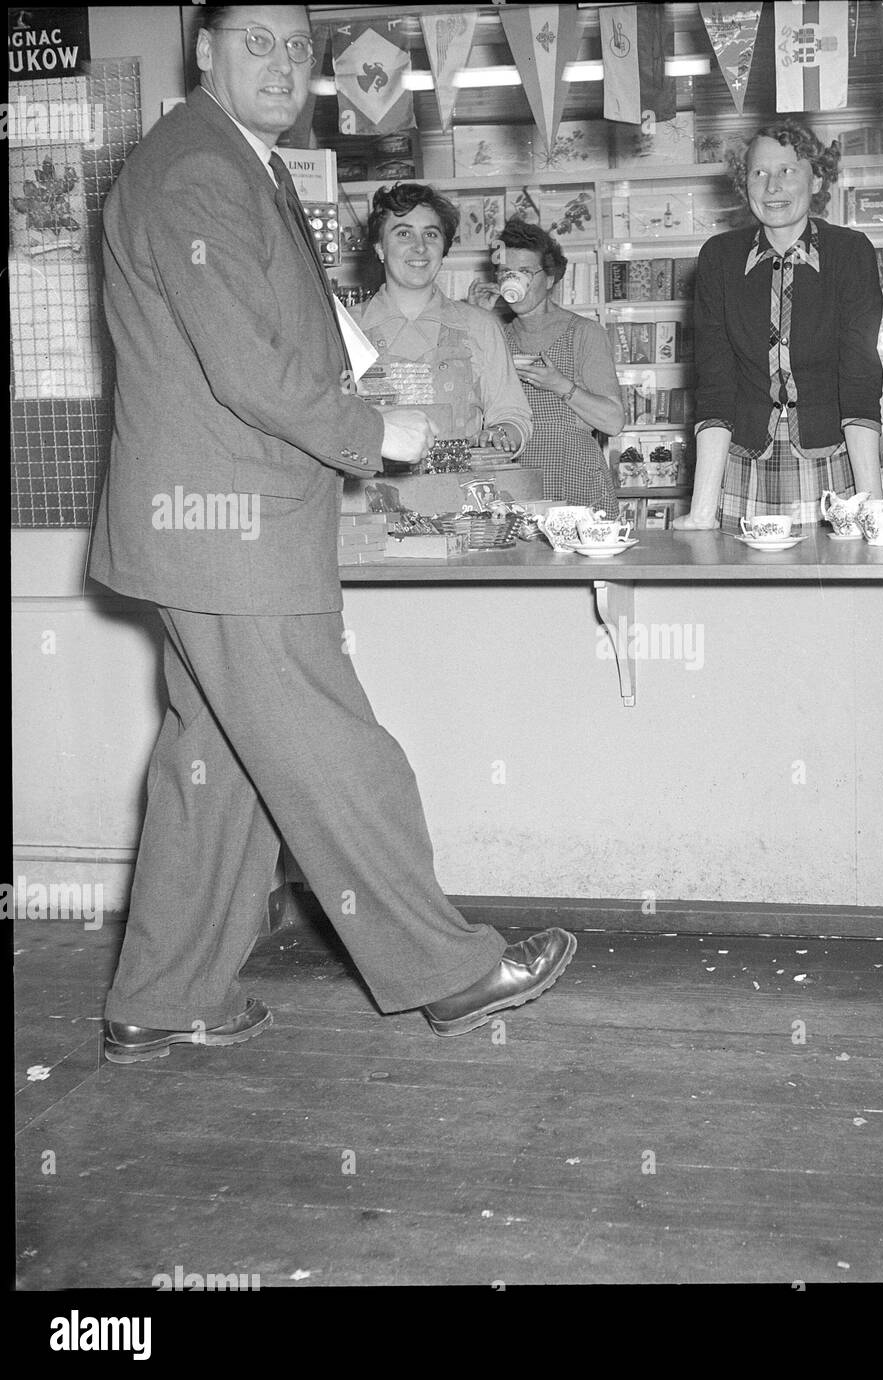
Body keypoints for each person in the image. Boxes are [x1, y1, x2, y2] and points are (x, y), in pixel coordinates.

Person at [86, 5, 575, 1063]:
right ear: (202, 50)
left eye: (296, 46)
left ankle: (163, 997)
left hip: (206, 525)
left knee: (212, 765)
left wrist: (354, 381)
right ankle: (450, 972)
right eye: (255, 40)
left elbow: (278, 330)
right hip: (232, 527)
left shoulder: (229, 162)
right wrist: (375, 431)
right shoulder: (200, 171)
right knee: (336, 750)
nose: (282, 63)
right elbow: (248, 365)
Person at [675, 119, 883, 533]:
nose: (772, 187)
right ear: (744, 182)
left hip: (834, 462)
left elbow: (860, 382)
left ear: (817, 176)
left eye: (788, 171)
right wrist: (702, 512)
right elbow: (715, 385)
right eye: (759, 173)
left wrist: (873, 506)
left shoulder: (850, 253)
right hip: (742, 463)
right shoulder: (718, 258)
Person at [353, 183, 532, 456]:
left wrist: (500, 435)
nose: (420, 247)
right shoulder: (345, 328)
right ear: (379, 248)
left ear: (444, 249)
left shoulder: (480, 326)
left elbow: (513, 415)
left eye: (431, 235)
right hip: (367, 492)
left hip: (461, 493)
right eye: (404, 234)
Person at [469, 217, 623, 513]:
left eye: (525, 271)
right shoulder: (497, 335)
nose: (513, 280)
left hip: (574, 476)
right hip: (514, 479)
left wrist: (559, 384)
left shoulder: (584, 332)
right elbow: (471, 415)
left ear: (550, 278)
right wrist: (477, 322)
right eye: (505, 272)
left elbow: (613, 421)